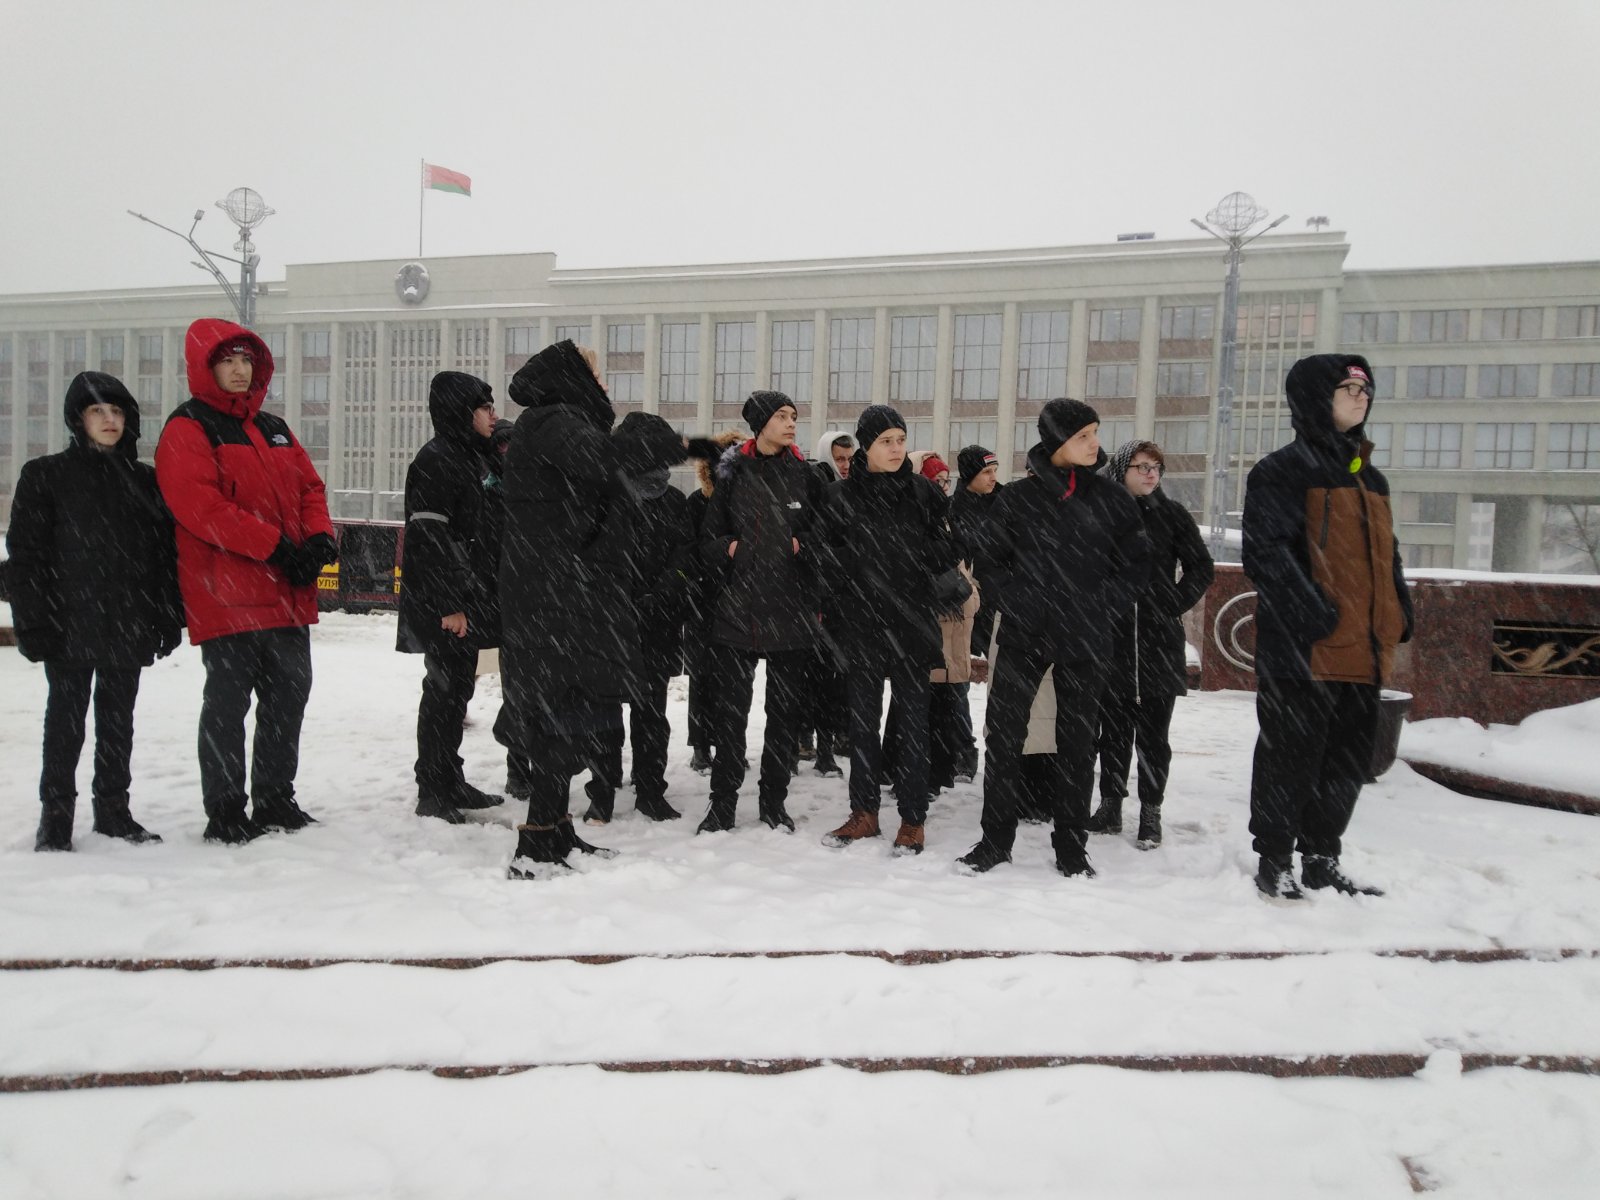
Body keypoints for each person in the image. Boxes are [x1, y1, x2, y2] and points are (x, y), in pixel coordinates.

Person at [495, 340, 712, 877]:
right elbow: (609, 461)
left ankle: (557, 832)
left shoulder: (558, 421)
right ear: (574, 377)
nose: (605, 386)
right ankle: (537, 843)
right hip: (555, 595)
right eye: (598, 375)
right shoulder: (555, 422)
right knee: (556, 717)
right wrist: (682, 444)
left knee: (569, 714)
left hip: (565, 591)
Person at [156, 319, 338, 844]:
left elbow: (310, 487)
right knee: (228, 707)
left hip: (285, 595)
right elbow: (201, 506)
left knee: (287, 700)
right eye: (228, 361)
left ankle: (277, 798)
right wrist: (274, 545)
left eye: (246, 362)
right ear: (206, 367)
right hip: (227, 596)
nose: (239, 371)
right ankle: (226, 809)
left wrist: (319, 540)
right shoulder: (189, 427)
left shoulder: (274, 427)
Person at [956, 398, 1150, 878]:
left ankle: (1071, 847)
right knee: (1004, 739)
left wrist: (1101, 605)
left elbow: (1137, 564)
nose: (1094, 444)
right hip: (1026, 635)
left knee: (1078, 745)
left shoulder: (1110, 499)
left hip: (1086, 641)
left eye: (1095, 434)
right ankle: (995, 841)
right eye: (1083, 435)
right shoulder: (1018, 498)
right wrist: (1017, 601)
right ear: (1057, 441)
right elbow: (990, 559)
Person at [1242, 355, 1411, 900]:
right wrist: (1313, 611)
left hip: (1363, 647)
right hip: (1303, 649)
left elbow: (1388, 554)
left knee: (1347, 759)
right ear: (1316, 398)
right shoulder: (1281, 470)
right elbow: (1265, 554)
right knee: (1291, 754)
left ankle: (1321, 856)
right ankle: (1275, 858)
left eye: (1366, 389)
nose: (1361, 397)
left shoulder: (1370, 475)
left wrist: (1399, 608)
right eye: (1347, 388)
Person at [7, 372, 184, 851]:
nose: (109, 420)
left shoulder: (146, 481)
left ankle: (113, 812)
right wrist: (33, 623)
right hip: (68, 624)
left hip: (129, 622)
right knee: (65, 723)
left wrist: (168, 616)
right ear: (78, 419)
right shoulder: (46, 475)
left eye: (118, 412)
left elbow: (163, 557)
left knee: (117, 723)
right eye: (97, 412)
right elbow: (25, 558)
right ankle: (56, 819)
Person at [816, 405, 958, 855]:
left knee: (914, 726)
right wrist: (853, 566)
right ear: (867, 446)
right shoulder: (840, 497)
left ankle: (913, 819)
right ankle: (864, 813)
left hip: (911, 625)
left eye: (901, 440)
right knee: (862, 725)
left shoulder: (922, 492)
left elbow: (947, 546)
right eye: (886, 442)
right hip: (859, 626)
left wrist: (917, 551)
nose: (896, 449)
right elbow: (822, 556)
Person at [696, 390, 827, 834]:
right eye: (783, 416)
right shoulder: (732, 474)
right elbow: (709, 539)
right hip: (738, 610)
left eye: (794, 415)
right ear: (760, 424)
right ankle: (722, 805)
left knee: (783, 716)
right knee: (730, 716)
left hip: (790, 610)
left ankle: (774, 801)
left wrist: (802, 545)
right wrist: (731, 549)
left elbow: (823, 536)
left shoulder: (806, 476)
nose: (792, 423)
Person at [1089, 440, 1214, 849]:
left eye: (1156, 468)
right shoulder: (1102, 512)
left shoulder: (1172, 515)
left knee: (1155, 736)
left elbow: (1201, 566)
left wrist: (1174, 602)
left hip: (1159, 641)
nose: (1150, 474)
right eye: (1141, 466)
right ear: (1122, 470)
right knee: (1112, 730)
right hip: (1113, 637)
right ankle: (1110, 804)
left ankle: (1151, 811)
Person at [396, 371, 505, 823]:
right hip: (444, 603)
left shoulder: (470, 457)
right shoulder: (437, 459)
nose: (493, 416)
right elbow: (430, 536)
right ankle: (433, 789)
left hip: (467, 597)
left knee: (456, 690)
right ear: (464, 412)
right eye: (485, 407)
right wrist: (450, 603)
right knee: (441, 693)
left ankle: (450, 778)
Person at [581, 412, 696, 825]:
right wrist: (619, 596)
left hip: (659, 621)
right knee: (605, 716)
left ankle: (651, 790)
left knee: (652, 715)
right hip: (611, 621)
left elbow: (685, 556)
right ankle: (602, 792)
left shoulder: (674, 500)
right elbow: (591, 557)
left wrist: (664, 590)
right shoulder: (603, 494)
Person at [684, 430, 745, 776]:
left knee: (733, 679)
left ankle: (728, 741)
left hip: (738, 600)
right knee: (702, 676)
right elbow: (692, 551)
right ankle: (700, 746)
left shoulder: (745, 503)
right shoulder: (697, 502)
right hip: (703, 601)